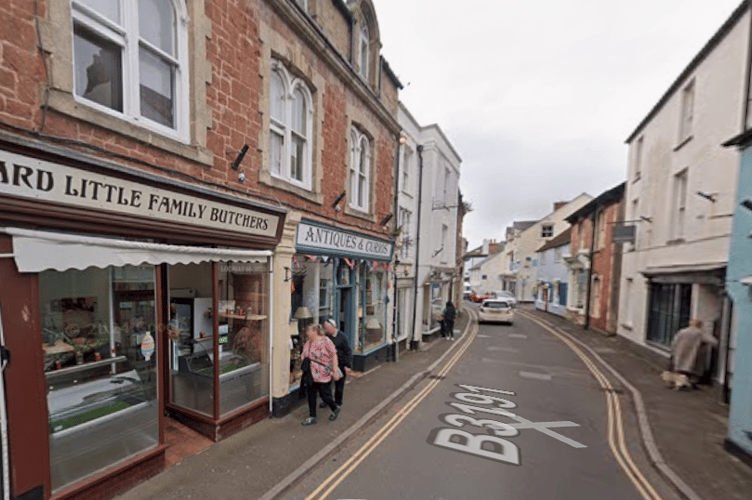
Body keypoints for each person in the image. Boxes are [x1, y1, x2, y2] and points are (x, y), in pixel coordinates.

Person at [300, 324, 341, 425]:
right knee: (311, 395)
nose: (307, 333)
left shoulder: (326, 341)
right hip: (311, 374)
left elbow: (333, 356)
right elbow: (304, 356)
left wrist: (335, 370)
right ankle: (312, 416)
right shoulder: (308, 343)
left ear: (314, 331)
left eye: (308, 331)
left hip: (324, 374)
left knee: (325, 395)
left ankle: (335, 408)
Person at [666, 318, 718, 390]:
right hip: (692, 355)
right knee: (688, 370)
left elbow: (674, 343)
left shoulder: (682, 331)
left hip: (680, 353)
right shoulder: (700, 333)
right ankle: (684, 384)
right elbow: (714, 342)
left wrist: (673, 352)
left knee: (679, 370)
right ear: (700, 325)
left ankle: (677, 384)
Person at [321, 318, 352, 408]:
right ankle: (328, 401)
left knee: (339, 386)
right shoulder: (327, 338)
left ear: (333, 327)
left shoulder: (342, 337)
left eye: (327, 328)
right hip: (329, 365)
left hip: (340, 365)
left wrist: (348, 365)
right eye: (325, 328)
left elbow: (348, 351)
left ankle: (338, 403)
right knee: (326, 385)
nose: (326, 330)